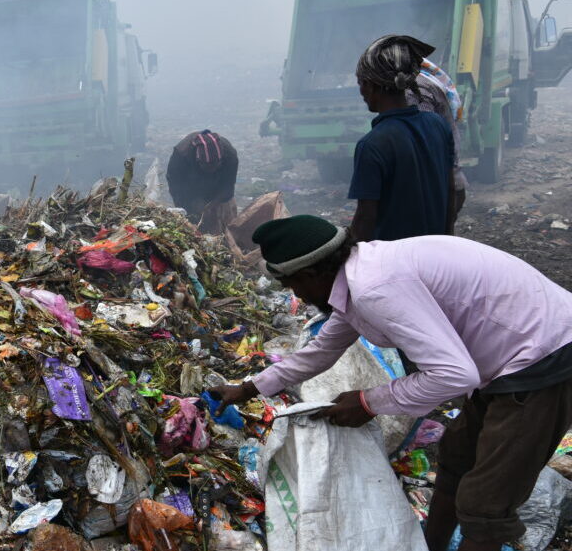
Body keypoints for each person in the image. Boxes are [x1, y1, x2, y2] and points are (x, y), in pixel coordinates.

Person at [209, 215, 572, 551]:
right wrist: (247, 389)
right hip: (507, 357)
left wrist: (368, 402)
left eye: (293, 285)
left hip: (543, 358)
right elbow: (322, 350)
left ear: (312, 272)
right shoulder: (358, 274)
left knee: (484, 505)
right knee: (457, 458)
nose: (297, 297)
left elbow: (454, 375)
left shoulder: (374, 287)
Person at [349, 35, 455, 242]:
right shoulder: (437, 124)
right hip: (436, 251)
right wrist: (448, 240)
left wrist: (349, 256)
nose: (361, 91)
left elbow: (366, 217)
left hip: (395, 261)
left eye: (361, 82)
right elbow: (451, 191)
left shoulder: (371, 145)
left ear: (371, 85)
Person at [408, 60, 467, 230]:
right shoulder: (429, 79)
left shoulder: (414, 91)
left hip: (434, 188)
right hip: (449, 181)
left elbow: (426, 140)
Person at [165, 130, 239, 235]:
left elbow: (228, 186)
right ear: (199, 160)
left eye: (215, 166)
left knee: (226, 221)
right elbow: (175, 185)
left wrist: (212, 204)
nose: (212, 170)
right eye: (208, 167)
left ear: (221, 160)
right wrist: (187, 206)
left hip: (217, 187)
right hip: (191, 186)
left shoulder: (229, 154)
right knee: (192, 224)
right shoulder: (182, 155)